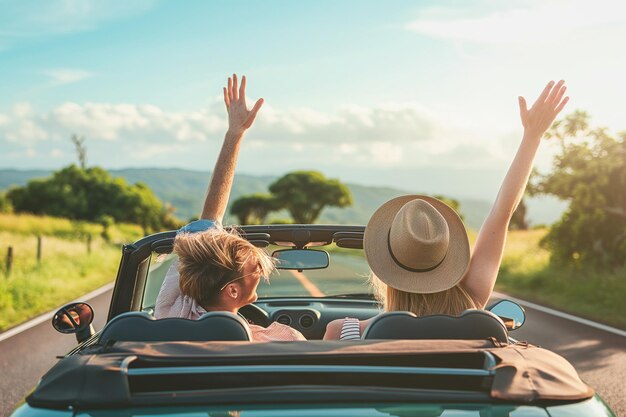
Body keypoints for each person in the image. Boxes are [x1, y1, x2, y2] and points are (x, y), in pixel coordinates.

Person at [324, 80, 569, 340]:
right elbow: (502, 212)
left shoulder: (342, 331)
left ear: (385, 268)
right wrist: (533, 137)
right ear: (446, 257)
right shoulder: (472, 302)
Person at [155, 74, 306, 342]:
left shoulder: (170, 314)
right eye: (255, 269)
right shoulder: (280, 340)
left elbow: (210, 218)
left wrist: (234, 134)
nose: (260, 271)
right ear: (233, 291)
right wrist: (236, 133)